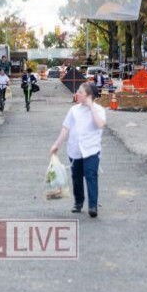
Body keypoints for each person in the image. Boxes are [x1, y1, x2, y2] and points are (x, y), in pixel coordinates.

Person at [49, 82, 107, 218]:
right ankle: (78, 202)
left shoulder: (99, 110)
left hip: (91, 150)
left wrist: (90, 105)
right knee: (76, 177)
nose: (77, 94)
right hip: (75, 150)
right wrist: (57, 144)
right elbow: (66, 128)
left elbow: (100, 124)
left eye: (80, 92)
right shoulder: (74, 110)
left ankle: (93, 206)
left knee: (91, 175)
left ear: (88, 95)